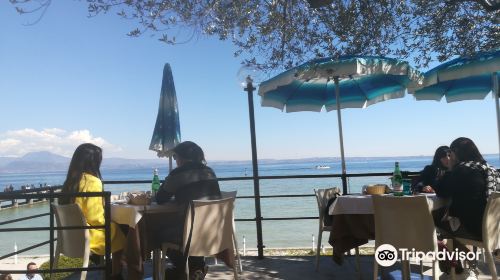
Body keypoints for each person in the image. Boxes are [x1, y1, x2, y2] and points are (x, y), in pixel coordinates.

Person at [434, 137, 500, 277]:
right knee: (447, 221)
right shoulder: (491, 169)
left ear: (456, 153)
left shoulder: (462, 170)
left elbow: (440, 190)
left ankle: (454, 269)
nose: (449, 156)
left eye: (450, 153)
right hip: (495, 229)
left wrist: (451, 168)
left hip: (474, 230)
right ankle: (467, 265)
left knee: (435, 223)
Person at [156, 141, 222, 280]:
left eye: (174, 157)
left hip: (191, 232)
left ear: (181, 157)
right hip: (214, 229)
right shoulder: (209, 171)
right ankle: (193, 268)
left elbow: (160, 198)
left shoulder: (178, 173)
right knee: (191, 228)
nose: (175, 161)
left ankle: (187, 268)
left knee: (156, 234)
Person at [60, 143, 126, 279]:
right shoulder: (93, 182)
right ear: (93, 162)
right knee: (122, 231)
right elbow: (95, 218)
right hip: (88, 236)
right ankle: (116, 274)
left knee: (115, 228)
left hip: (70, 236)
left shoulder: (70, 182)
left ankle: (103, 266)